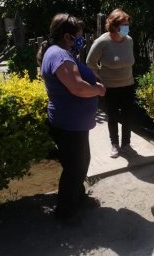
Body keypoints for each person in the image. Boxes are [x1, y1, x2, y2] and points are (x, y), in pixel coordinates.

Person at [37, 13, 106, 221]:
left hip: (74, 123)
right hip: (69, 124)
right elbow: (76, 87)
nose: (80, 39)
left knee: (80, 163)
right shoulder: (59, 55)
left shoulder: (61, 52)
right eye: (79, 36)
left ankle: (78, 198)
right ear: (68, 36)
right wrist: (99, 90)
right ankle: (65, 213)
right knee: (74, 168)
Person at [86, 8, 136, 158]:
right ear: (114, 26)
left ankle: (126, 144)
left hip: (128, 84)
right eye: (123, 25)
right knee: (113, 117)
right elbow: (90, 62)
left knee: (128, 116)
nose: (126, 28)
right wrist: (100, 77)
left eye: (127, 25)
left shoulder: (129, 40)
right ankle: (115, 144)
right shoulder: (102, 42)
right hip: (111, 87)